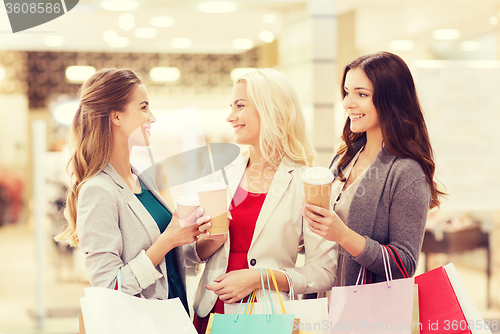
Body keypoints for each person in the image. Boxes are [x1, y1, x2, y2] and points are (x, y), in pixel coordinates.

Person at [190, 68, 338, 333]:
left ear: (269, 109)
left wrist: (260, 278)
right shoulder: (223, 172)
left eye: (240, 106)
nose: (230, 116)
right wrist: (209, 240)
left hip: (267, 317)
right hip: (211, 311)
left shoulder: (306, 183)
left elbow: (324, 271)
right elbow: (195, 255)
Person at [54, 68, 211, 314]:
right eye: (144, 107)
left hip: (176, 316)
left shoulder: (142, 178)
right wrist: (168, 239)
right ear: (116, 117)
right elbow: (107, 288)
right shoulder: (98, 190)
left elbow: (171, 260)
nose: (152, 117)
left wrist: (204, 238)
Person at [303, 51, 445, 286]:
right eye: (347, 92)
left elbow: (404, 264)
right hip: (323, 297)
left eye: (362, 94)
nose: (349, 103)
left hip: (365, 308)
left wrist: (343, 235)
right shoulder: (344, 157)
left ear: (392, 100)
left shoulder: (406, 171)